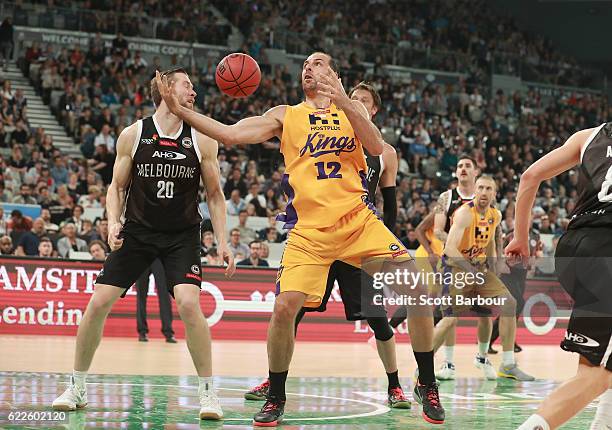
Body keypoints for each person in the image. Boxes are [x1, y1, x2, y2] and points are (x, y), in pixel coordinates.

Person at [157, 54, 444, 425]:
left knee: (417, 289)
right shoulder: (285, 115)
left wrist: (344, 100)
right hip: (309, 231)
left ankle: (427, 382)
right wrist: (181, 110)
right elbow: (230, 134)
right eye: (305, 64)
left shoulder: (352, 109)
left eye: (319, 63)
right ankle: (276, 394)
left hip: (358, 222)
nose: (309, 67)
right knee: (283, 308)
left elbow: (375, 147)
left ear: (335, 74)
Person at [52, 68, 235, 421]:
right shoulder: (134, 134)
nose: (194, 92)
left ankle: (208, 392)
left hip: (181, 235)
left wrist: (223, 241)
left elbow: (214, 194)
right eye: (187, 85)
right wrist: (113, 220)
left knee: (188, 304)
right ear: (166, 89)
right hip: (137, 232)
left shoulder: (201, 137)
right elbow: (116, 187)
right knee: (98, 302)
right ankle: (76, 385)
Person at [245, 82, 413, 410]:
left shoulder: (383, 151)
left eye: (362, 101)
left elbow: (389, 206)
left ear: (372, 111)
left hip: (357, 240)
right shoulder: (324, 134)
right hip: (316, 237)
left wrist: (378, 249)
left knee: (378, 319)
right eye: (352, 98)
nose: (354, 103)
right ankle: (273, 381)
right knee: (290, 313)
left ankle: (394, 385)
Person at [510, 123, 612, 430]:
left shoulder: (589, 136)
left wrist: (520, 237)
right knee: (596, 373)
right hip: (608, 252)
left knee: (603, 360)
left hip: (573, 249)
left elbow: (530, 176)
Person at [436, 176, 534, 381]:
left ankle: (507, 364)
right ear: (475, 191)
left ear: (494, 194)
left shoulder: (495, 215)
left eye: (488, 188)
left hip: (478, 268)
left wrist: (495, 263)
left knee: (509, 304)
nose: (483, 191)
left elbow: (489, 241)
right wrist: (469, 270)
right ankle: (425, 363)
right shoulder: (464, 213)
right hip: (454, 267)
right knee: (450, 318)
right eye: (480, 187)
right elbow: (450, 248)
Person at [391, 155, 480, 379]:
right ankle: (421, 360)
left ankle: (448, 363)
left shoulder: (483, 198)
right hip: (444, 257)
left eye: (467, 165)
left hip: (465, 262)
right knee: (442, 309)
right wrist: (453, 242)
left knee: (451, 313)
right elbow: (437, 230)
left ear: (476, 172)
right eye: (459, 166)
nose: (462, 169)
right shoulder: (445, 198)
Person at [135, 259, 176, 343]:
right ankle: (142, 332)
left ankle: (168, 332)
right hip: (141, 256)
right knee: (141, 296)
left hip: (159, 256)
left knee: (164, 295)